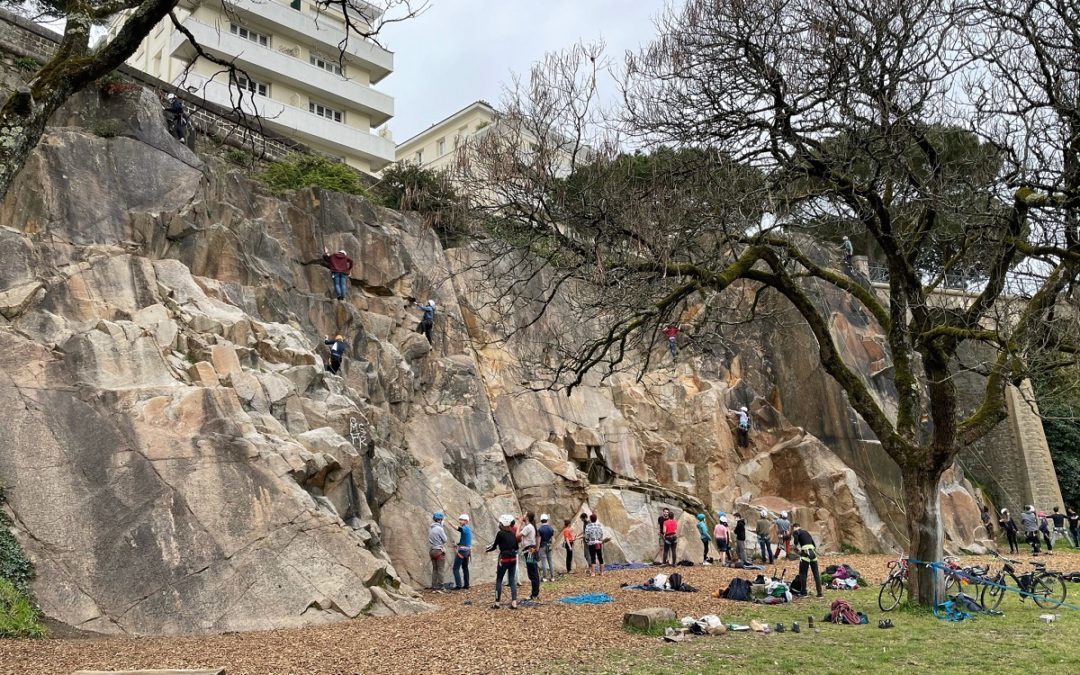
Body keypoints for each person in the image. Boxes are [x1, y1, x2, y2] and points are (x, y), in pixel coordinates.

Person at [486, 514, 519, 609]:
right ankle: (514, 603)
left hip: (504, 559)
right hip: (513, 559)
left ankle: (497, 603)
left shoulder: (500, 533)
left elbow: (494, 546)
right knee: (512, 580)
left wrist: (487, 549)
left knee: (499, 580)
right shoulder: (513, 534)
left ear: (503, 524)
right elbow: (516, 547)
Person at [792, 522, 823, 597]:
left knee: (803, 573)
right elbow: (814, 544)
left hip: (805, 553)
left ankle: (804, 592)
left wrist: (795, 547)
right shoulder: (806, 532)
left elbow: (795, 542)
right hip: (813, 552)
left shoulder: (796, 532)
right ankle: (819, 593)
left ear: (795, 527)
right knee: (816, 573)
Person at [428, 512, 448, 591]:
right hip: (438, 550)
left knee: (435, 569)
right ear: (440, 520)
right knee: (440, 569)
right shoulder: (440, 529)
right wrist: (442, 528)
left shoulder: (431, 528)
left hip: (432, 550)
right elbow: (445, 540)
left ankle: (434, 585)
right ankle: (441, 586)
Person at [451, 514, 472, 591]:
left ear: (466, 521)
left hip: (463, 551)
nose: (460, 521)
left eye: (461, 520)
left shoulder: (465, 528)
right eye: (460, 520)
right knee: (465, 567)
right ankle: (466, 585)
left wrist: (451, 524)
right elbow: (466, 539)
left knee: (455, 568)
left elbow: (458, 529)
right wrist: (459, 543)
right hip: (467, 550)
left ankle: (459, 585)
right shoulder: (468, 529)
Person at [538, 513, 556, 582]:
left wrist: (537, 548)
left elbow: (539, 540)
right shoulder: (551, 528)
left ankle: (545, 577)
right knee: (550, 562)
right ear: (547, 520)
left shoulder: (540, 529)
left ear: (541, 520)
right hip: (549, 546)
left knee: (544, 562)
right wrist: (552, 546)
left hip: (542, 546)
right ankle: (552, 577)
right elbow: (553, 539)